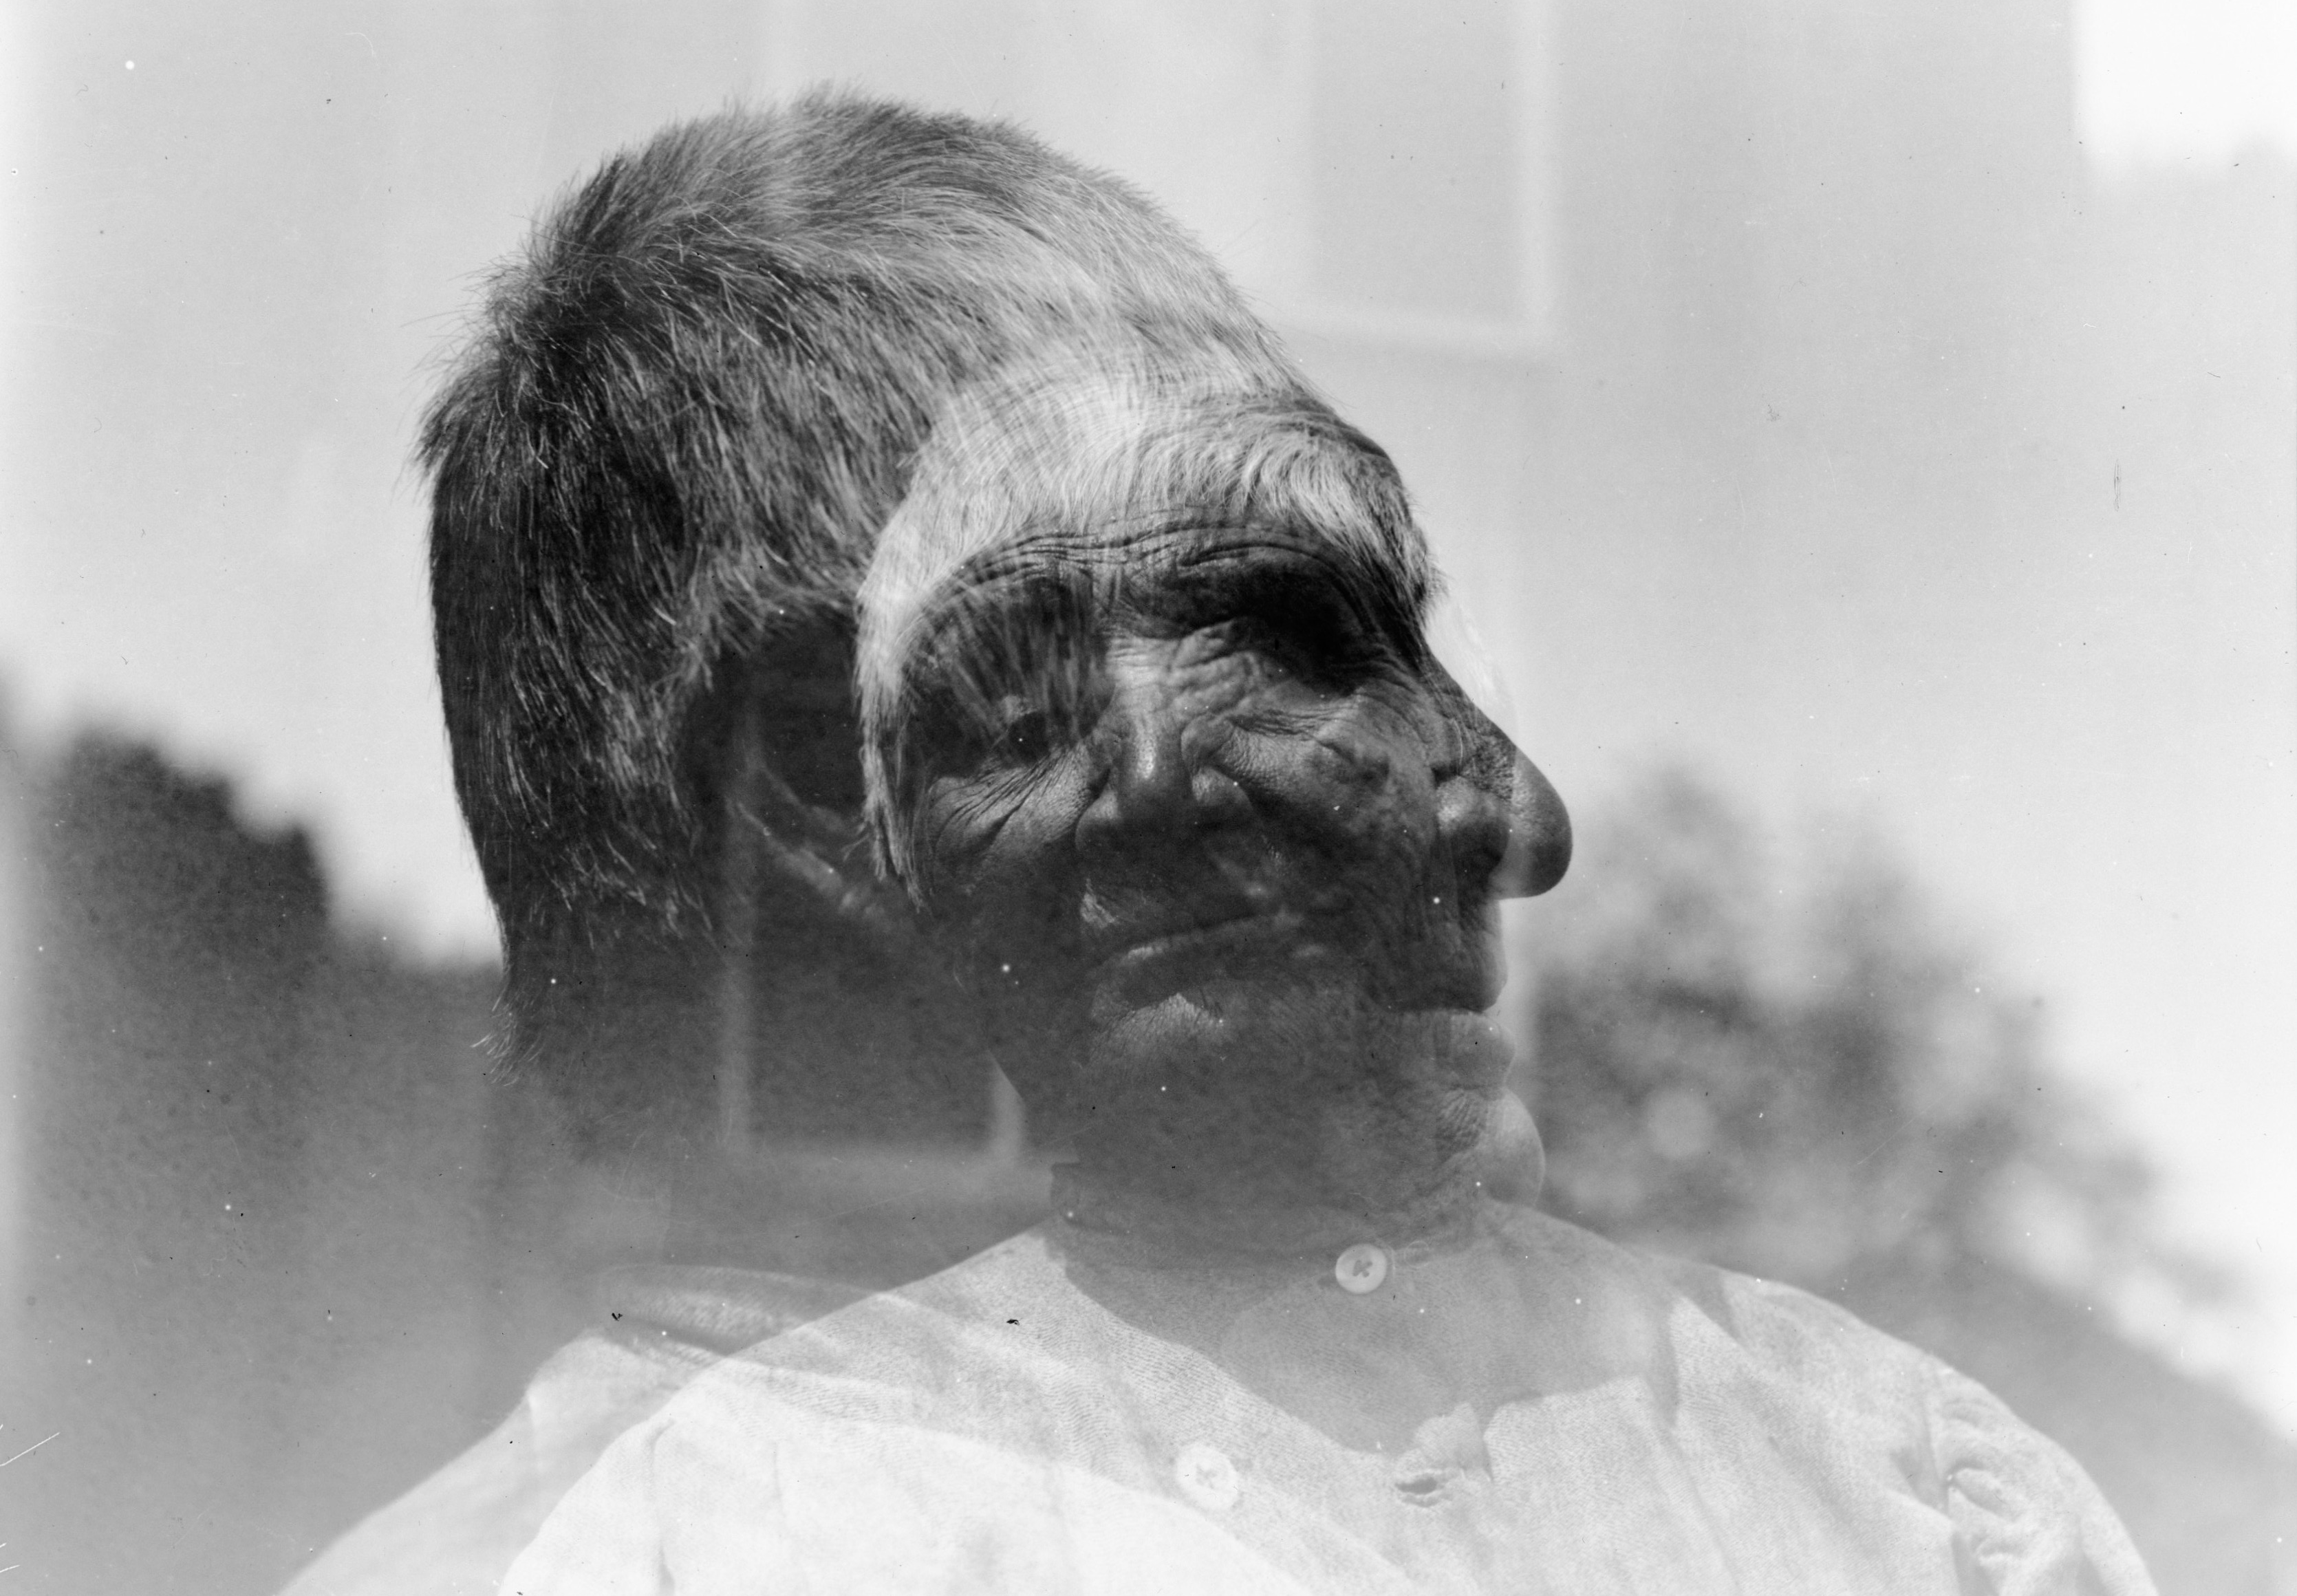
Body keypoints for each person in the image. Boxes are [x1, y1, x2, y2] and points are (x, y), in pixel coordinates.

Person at [285, 93, 2153, 1595]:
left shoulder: (1885, 1483)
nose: (1515, 815)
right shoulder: (617, 1558)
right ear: (840, 785)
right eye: (1291, 630)